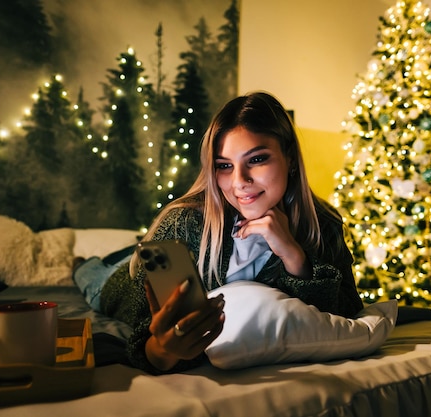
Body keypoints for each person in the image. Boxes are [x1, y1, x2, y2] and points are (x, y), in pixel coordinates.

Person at [76, 91, 364, 374]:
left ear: (289, 158)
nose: (240, 181)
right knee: (91, 276)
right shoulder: (182, 223)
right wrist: (164, 350)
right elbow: (145, 337)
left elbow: (344, 314)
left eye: (256, 159)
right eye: (224, 166)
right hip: (116, 283)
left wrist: (294, 255)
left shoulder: (322, 223)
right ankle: (82, 263)